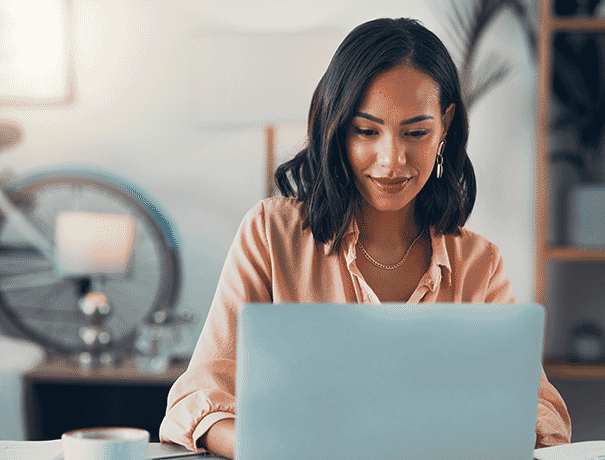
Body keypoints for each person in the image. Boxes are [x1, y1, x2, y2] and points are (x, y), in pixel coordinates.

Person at [159, 17, 571, 458]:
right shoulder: (270, 234)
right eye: (366, 131)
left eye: (416, 133)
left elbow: (540, 413)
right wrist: (271, 449)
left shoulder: (478, 264)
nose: (392, 160)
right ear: (336, 128)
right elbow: (197, 399)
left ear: (445, 126)